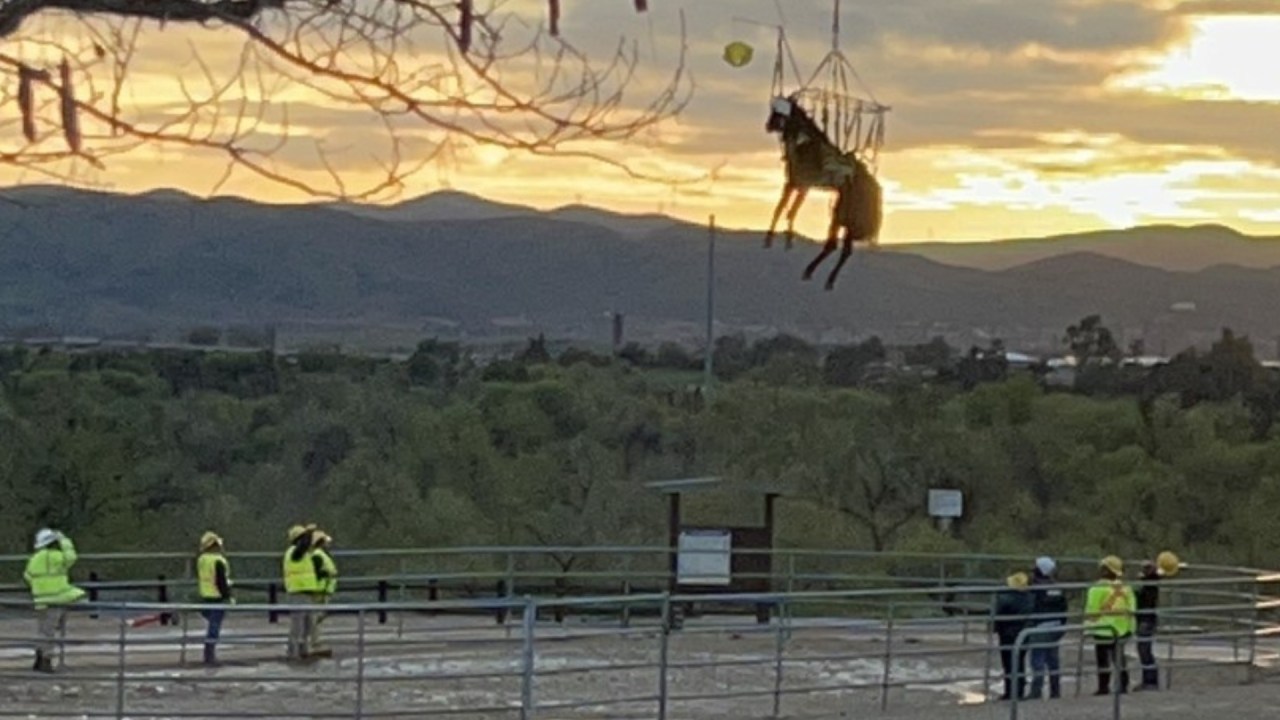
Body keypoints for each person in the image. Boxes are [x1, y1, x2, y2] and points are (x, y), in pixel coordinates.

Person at [23, 528, 86, 673]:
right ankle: (45, 662)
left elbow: (27, 576)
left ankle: (39, 660)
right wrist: (64, 540)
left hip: (40, 600)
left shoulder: (34, 559)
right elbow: (71, 557)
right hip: (58, 598)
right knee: (51, 632)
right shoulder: (57, 557)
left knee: (43, 631)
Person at [1085, 555, 1136, 695]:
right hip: (1123, 628)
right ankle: (1123, 685)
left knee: (1103, 660)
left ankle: (1103, 687)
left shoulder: (1097, 588)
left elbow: (1091, 610)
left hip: (1103, 629)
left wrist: (1088, 625)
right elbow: (1132, 609)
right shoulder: (1126, 588)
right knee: (1119, 658)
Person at [1135, 551, 1180, 691]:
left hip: (1146, 618)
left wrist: (1147, 574)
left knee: (1145, 650)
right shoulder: (1151, 581)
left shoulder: (1151, 582)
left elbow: (1151, 578)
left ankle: (1150, 681)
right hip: (1146, 617)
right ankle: (1149, 680)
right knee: (1144, 650)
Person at [1027, 556, 1068, 700]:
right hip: (1056, 625)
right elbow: (1064, 607)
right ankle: (1055, 691)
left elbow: (1031, 605)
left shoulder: (1035, 587)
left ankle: (1036, 692)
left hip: (1041, 626)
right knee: (1053, 660)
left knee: (1037, 660)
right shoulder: (1056, 587)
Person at [993, 571, 1034, 701]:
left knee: (1009, 664)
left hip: (1007, 634)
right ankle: (1019, 691)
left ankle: (1010, 692)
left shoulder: (1005, 598)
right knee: (1020, 662)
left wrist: (996, 628)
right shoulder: (1030, 597)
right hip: (1024, 633)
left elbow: (998, 615)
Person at [196, 531, 233, 666]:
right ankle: (209, 655)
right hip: (216, 597)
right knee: (214, 627)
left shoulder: (202, 560)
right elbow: (221, 581)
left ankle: (208, 654)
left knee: (212, 624)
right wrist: (227, 596)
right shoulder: (217, 561)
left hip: (204, 596)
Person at [282, 524, 318, 661]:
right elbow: (303, 546)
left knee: (308, 624)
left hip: (306, 592)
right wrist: (309, 532)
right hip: (297, 592)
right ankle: (293, 651)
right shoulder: (293, 552)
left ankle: (303, 650)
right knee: (298, 625)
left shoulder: (302, 553)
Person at [307, 530, 338, 658]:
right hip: (320, 591)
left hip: (324, 590)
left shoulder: (320, 555)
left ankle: (314, 639)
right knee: (316, 617)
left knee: (318, 617)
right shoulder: (318, 556)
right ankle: (314, 640)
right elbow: (315, 573)